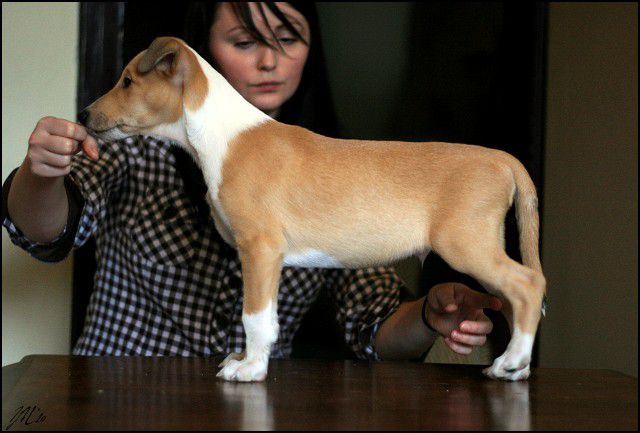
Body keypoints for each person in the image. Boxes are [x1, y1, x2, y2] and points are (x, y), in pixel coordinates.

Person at [2, 2, 502, 363]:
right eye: (245, 42)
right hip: (123, 392)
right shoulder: (139, 141)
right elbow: (46, 233)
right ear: (196, 57)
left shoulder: (335, 163)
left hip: (253, 405)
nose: (270, 61)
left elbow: (371, 320)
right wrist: (41, 173)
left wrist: (427, 319)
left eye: (289, 39)